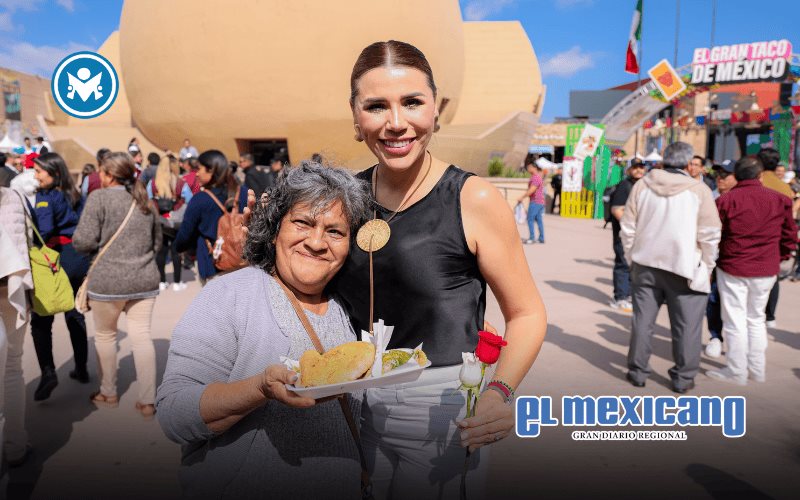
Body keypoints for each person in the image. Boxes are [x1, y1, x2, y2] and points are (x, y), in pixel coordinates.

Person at [335, 40, 547, 498]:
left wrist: (498, 394)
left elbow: (528, 314)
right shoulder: (343, 200)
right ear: (356, 117)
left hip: (439, 413)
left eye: (412, 102)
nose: (396, 123)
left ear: (436, 110)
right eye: (376, 106)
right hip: (346, 406)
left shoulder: (474, 199)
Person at [157, 162, 371, 498]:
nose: (316, 242)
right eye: (303, 222)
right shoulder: (229, 295)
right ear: (274, 230)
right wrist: (259, 389)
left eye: (335, 231)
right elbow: (174, 414)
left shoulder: (352, 307)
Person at [620, 141, 721, 393]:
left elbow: (628, 227)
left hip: (645, 264)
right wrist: (707, 266)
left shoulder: (643, 186)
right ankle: (683, 378)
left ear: (663, 161)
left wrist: (632, 257)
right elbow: (710, 234)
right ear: (689, 164)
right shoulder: (699, 190)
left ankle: (638, 372)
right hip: (685, 267)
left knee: (643, 322)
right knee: (687, 327)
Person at [72, 152, 162, 417]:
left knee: (105, 336)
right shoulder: (145, 200)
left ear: (109, 174)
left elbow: (83, 241)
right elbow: (157, 243)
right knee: (142, 337)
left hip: (107, 282)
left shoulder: (99, 198)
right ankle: (147, 401)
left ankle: (108, 392)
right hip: (144, 278)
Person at [706, 157, 797, 385]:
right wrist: (781, 256)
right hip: (765, 267)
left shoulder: (726, 200)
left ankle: (737, 372)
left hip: (733, 265)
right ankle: (757, 370)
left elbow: (715, 235)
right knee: (756, 319)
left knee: (735, 320)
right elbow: (789, 234)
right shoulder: (780, 200)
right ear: (760, 176)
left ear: (736, 176)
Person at [29, 153, 91, 400]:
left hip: (54, 260)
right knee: (75, 314)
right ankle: (82, 368)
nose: (35, 176)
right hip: (77, 257)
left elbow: (44, 231)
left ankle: (47, 372)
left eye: (38, 172)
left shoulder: (46, 197)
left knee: (41, 319)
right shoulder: (76, 194)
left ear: (54, 173)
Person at [174, 150, 247, 284]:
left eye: (199, 168)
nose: (196, 173)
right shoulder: (243, 192)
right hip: (244, 264)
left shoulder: (200, 199)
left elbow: (184, 235)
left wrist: (180, 248)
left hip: (213, 265)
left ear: (211, 170)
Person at [0, 186, 33, 466]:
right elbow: (27, 241)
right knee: (12, 368)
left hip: (11, 287)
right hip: (12, 286)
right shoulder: (11, 195)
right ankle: (15, 445)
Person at [705, 160, 738, 358]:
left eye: (725, 176)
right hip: (716, 260)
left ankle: (737, 346)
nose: (720, 179)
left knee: (735, 305)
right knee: (714, 300)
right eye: (718, 175)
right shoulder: (712, 197)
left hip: (737, 261)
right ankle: (715, 337)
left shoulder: (741, 200)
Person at [757, 148, 792, 328]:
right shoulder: (785, 188)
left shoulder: (756, 182)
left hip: (753, 236)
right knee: (773, 276)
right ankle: (770, 315)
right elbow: (789, 219)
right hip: (775, 239)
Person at [147, 155, 193, 291]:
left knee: (161, 251)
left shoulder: (153, 183)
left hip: (159, 221)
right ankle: (177, 283)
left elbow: (148, 200)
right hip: (175, 221)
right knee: (176, 251)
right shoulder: (180, 183)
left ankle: (162, 281)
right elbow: (189, 200)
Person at [608, 159, 645, 313]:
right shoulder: (625, 186)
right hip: (624, 235)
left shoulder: (642, 186)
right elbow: (617, 210)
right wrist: (631, 227)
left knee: (631, 265)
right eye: (635, 167)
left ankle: (628, 295)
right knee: (623, 264)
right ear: (629, 170)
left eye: (641, 167)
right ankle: (620, 298)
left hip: (636, 235)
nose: (639, 170)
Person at [517, 162, 545, 244]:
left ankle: (532, 238)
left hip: (535, 201)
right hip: (540, 201)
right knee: (539, 220)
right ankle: (541, 238)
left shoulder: (535, 178)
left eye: (529, 167)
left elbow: (532, 190)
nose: (528, 169)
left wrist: (522, 197)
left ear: (534, 167)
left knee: (530, 219)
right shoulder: (537, 177)